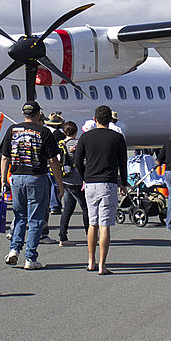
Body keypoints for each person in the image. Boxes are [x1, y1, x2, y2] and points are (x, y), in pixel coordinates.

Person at [0, 101, 62, 270]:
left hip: (17, 177)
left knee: (19, 216)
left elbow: (5, 157)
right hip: (36, 177)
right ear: (38, 114)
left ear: (23, 114)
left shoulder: (12, 130)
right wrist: (59, 184)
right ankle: (30, 257)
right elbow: (53, 160)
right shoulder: (44, 132)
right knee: (35, 219)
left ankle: (14, 249)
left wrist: (4, 179)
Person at [75, 104, 128, 273]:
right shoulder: (117, 137)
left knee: (93, 223)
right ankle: (102, 265)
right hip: (108, 182)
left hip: (90, 182)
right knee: (105, 224)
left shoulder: (85, 137)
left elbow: (77, 161)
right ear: (111, 120)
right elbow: (122, 162)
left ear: (95, 119)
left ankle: (90, 261)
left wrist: (84, 176)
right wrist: (123, 183)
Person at [56, 121, 89, 244]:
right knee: (86, 208)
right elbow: (85, 161)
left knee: (68, 209)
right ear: (76, 131)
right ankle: (89, 234)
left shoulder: (61, 144)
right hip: (77, 179)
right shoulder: (78, 143)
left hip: (65, 179)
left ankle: (62, 237)